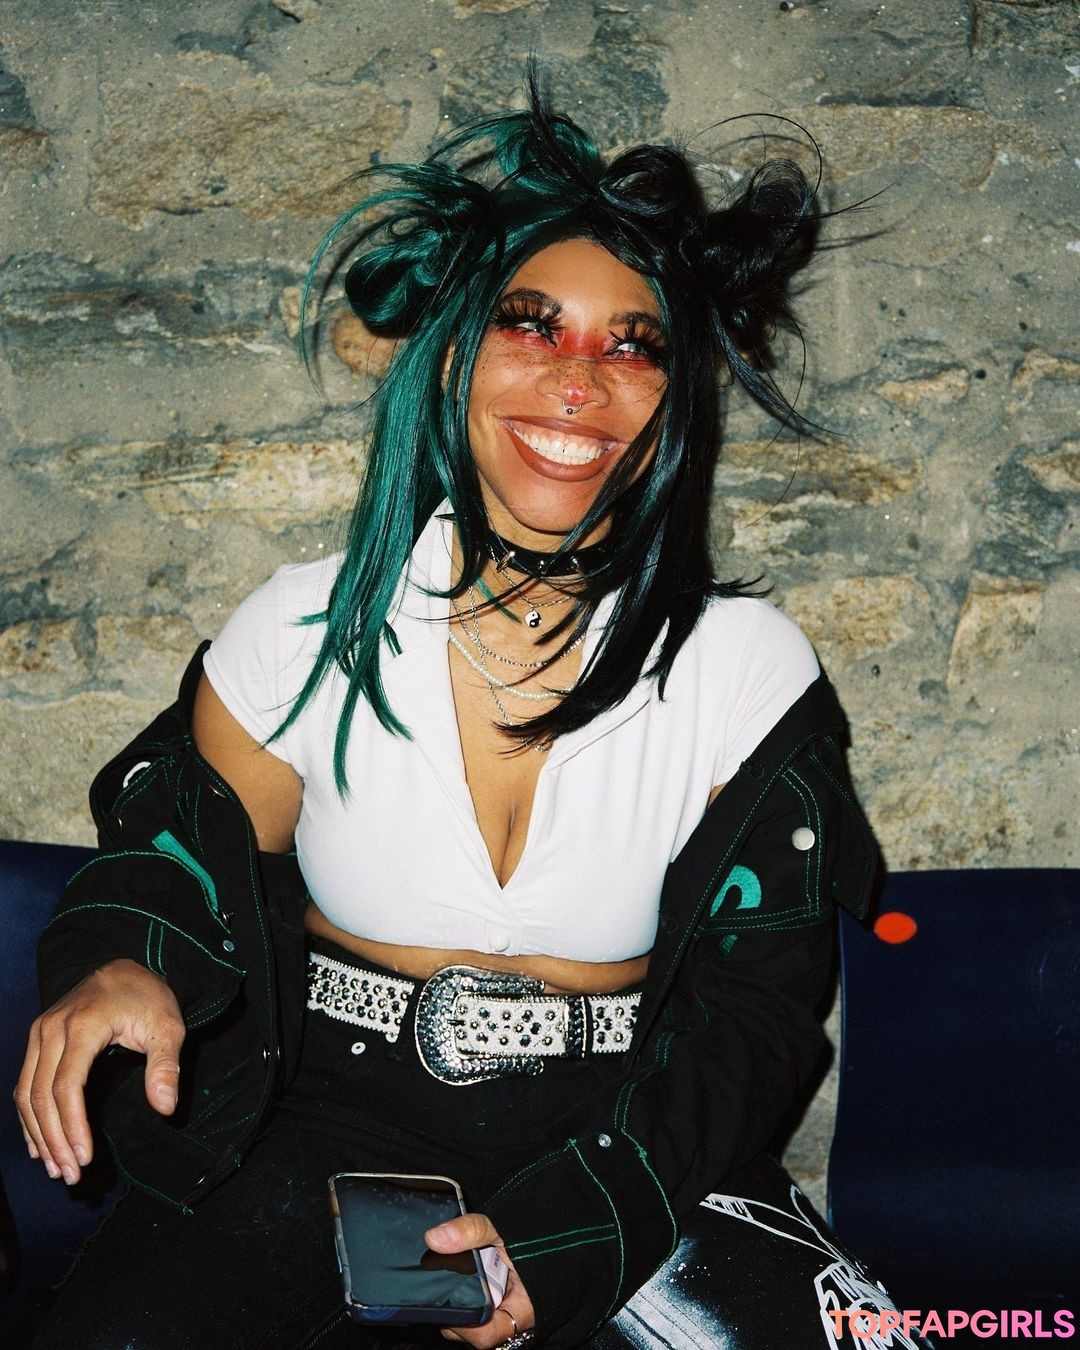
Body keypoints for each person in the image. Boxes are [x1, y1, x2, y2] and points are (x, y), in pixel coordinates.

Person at [15, 70, 924, 1350]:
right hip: (322, 1122)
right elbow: (178, 860)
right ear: (453, 358)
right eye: (531, 326)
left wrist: (583, 1225)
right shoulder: (302, 626)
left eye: (633, 344)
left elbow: (754, 1021)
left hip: (630, 1139)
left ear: (674, 401)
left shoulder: (748, 668)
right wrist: (124, 964)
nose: (579, 380)